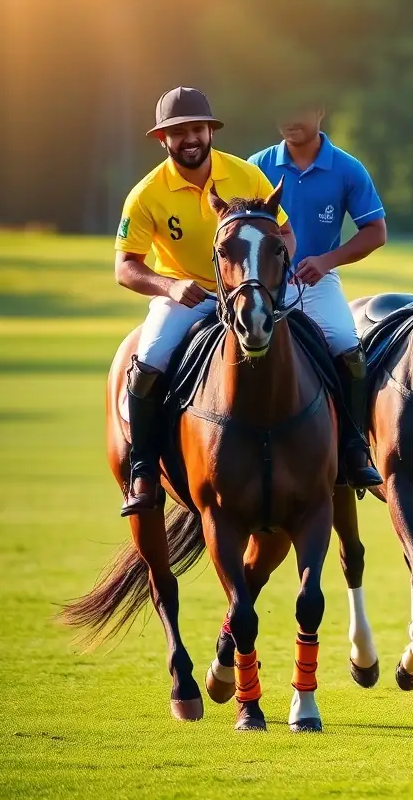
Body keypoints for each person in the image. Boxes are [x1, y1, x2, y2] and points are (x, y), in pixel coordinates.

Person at [114, 86, 294, 517]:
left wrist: (269, 279)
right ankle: (142, 469)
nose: (189, 139)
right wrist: (168, 286)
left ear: (210, 131)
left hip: (250, 293)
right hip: (186, 296)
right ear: (163, 140)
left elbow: (283, 233)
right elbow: (125, 266)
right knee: (149, 361)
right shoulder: (146, 194)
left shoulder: (245, 175)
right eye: (178, 133)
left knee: (319, 345)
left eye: (197, 128)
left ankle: (344, 449)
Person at [250, 105, 387, 489]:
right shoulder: (255, 166)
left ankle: (355, 448)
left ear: (321, 110)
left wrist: (327, 261)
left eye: (300, 109)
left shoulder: (347, 168)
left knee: (347, 346)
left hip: (316, 283)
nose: (289, 118)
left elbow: (375, 231)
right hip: (259, 284)